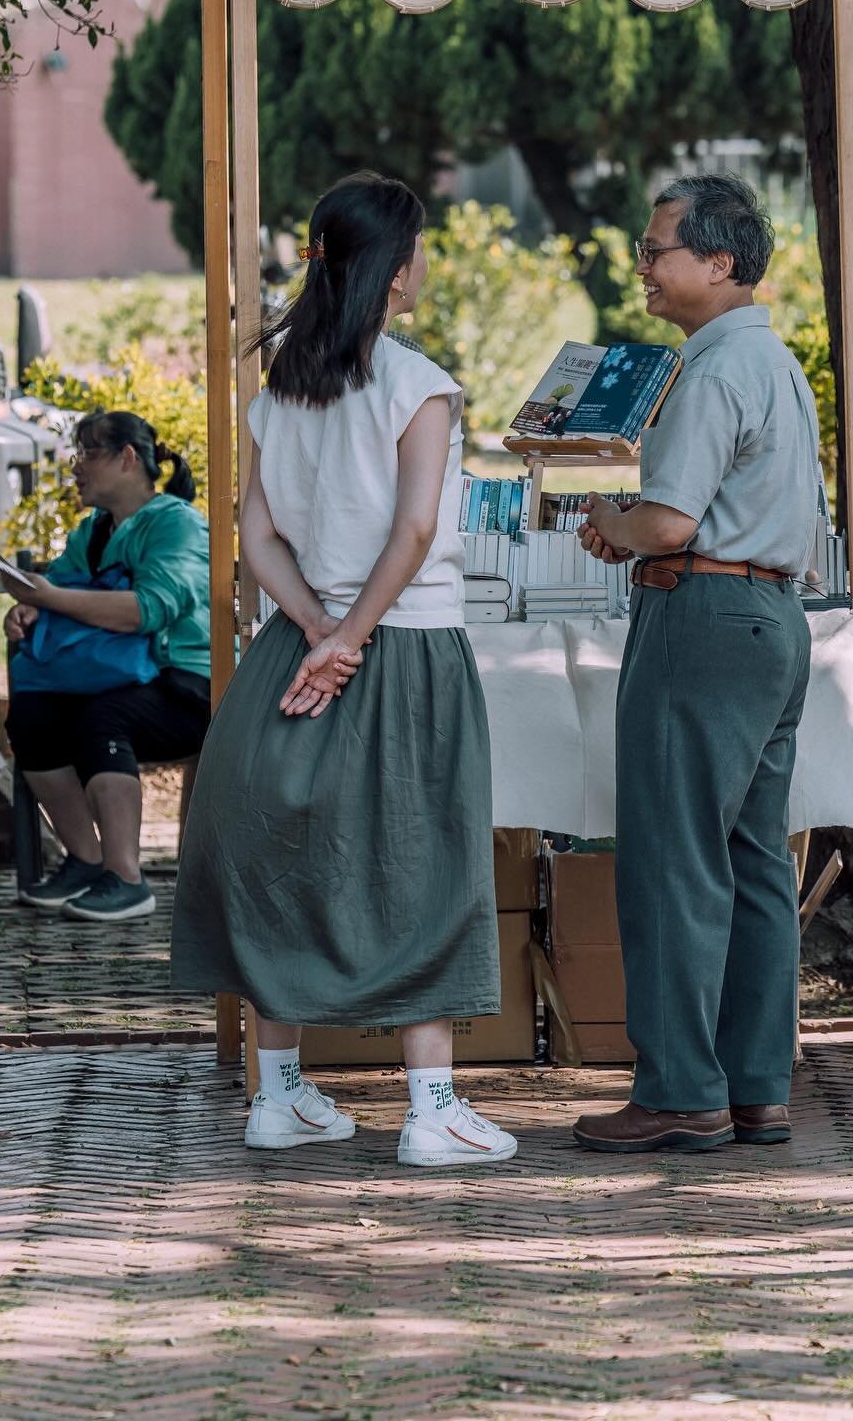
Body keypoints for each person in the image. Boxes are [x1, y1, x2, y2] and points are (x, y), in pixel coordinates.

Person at [170, 171, 516, 1169]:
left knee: (282, 853)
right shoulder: (418, 383)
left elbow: (257, 534)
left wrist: (318, 627)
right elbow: (414, 531)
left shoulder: (281, 381)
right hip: (404, 644)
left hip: (296, 641)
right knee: (424, 857)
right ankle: (432, 1108)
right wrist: (354, 636)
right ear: (393, 269)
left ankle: (280, 1094)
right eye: (418, 247)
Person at [570, 173, 819, 1155]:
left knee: (676, 858)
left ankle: (679, 1086)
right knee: (755, 861)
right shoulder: (772, 360)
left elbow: (669, 521)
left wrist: (611, 520)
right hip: (769, 615)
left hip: (702, 611)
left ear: (721, 260)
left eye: (658, 246)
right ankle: (757, 1084)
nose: (644, 265)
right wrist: (638, 527)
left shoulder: (711, 369)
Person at [0, 411, 210, 923]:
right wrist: (29, 608)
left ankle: (127, 879)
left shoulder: (176, 523)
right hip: (114, 676)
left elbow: (147, 610)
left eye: (88, 453)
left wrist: (52, 596)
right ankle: (87, 861)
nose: (76, 467)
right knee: (31, 717)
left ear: (128, 458)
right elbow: (60, 596)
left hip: (188, 683)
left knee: (103, 719)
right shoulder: (91, 532)